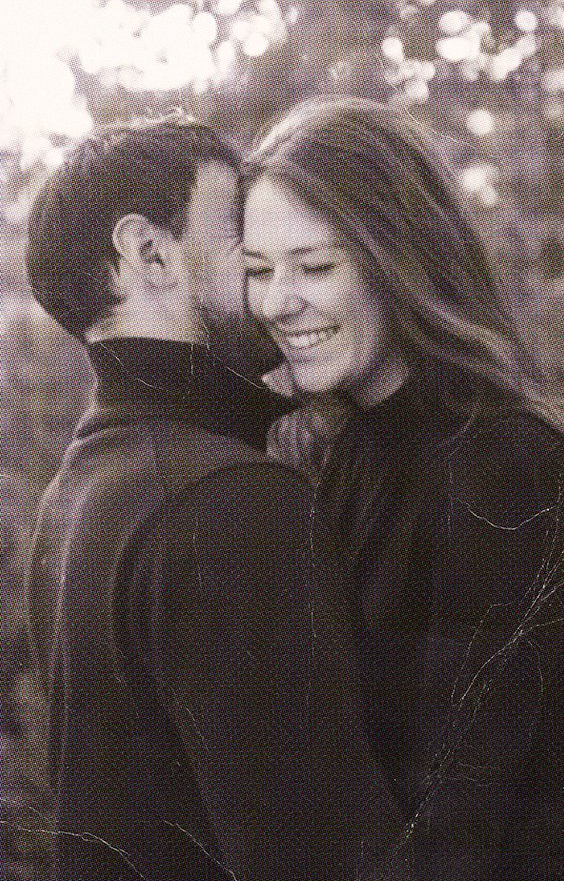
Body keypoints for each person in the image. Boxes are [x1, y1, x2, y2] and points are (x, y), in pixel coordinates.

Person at [240, 96, 564, 879]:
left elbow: (461, 813)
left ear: (396, 259)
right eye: (257, 271)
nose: (278, 301)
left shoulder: (502, 462)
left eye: (314, 266)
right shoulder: (351, 451)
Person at [24, 118, 409, 881]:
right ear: (148, 252)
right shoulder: (232, 502)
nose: (267, 264)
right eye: (238, 226)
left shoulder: (75, 496)